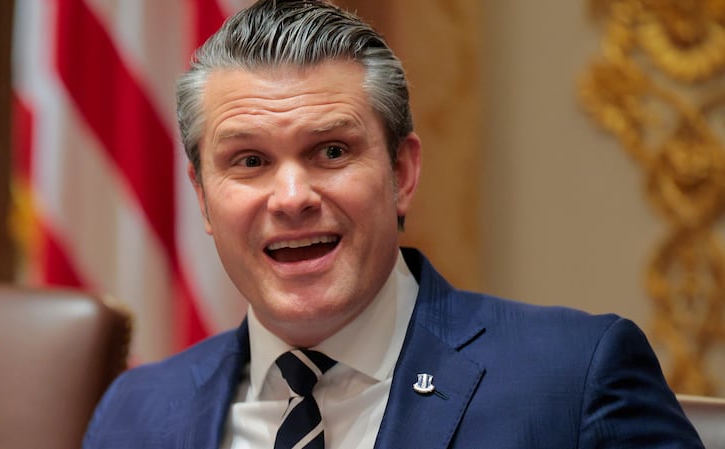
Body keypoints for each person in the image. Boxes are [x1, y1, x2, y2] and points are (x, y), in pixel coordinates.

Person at [82, 1, 704, 447]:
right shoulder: (134, 414)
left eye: (331, 151)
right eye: (250, 161)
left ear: (402, 172)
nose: (292, 196)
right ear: (203, 197)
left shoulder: (573, 380)